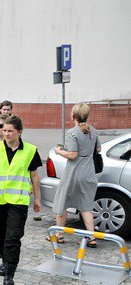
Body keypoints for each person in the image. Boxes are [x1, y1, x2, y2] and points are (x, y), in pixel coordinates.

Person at [0, 115, 42, 285]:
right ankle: (6, 261)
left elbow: (34, 176)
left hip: (18, 201)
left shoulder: (30, 150)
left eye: (9, 131)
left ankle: (9, 274)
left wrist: (37, 198)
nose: (6, 134)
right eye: (4, 130)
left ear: (19, 132)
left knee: (13, 237)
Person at [52, 103, 100, 246]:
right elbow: (98, 149)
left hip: (74, 173)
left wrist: (58, 150)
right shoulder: (93, 131)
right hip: (89, 172)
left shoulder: (72, 132)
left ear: (73, 116)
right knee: (86, 206)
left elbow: (72, 155)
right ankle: (91, 238)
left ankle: (59, 235)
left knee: (61, 202)